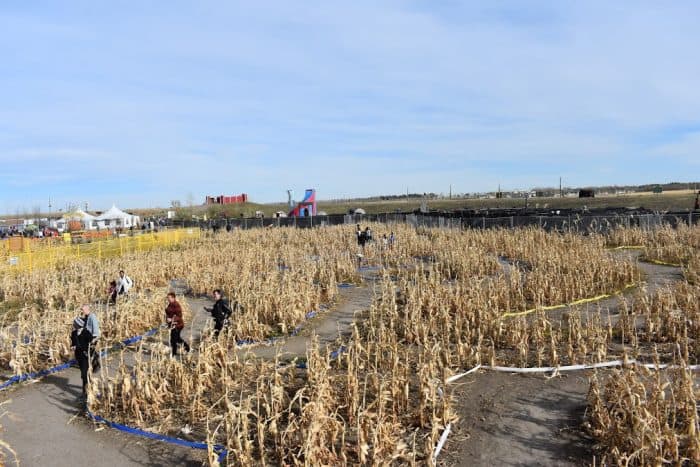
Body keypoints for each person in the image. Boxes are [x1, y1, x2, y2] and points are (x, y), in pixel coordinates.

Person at [70, 305, 100, 397]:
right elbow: (73, 342)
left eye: (83, 310)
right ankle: (87, 389)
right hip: (79, 355)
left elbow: (93, 336)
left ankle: (86, 391)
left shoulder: (87, 329)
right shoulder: (74, 333)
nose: (82, 311)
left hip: (86, 353)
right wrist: (73, 346)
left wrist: (94, 342)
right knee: (84, 373)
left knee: (84, 373)